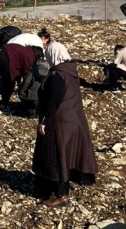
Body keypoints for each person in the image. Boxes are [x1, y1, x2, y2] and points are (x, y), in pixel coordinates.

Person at [32, 46, 98, 208]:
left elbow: (53, 100)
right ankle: (59, 188)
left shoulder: (57, 75)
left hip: (60, 121)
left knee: (58, 156)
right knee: (67, 155)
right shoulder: (69, 71)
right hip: (74, 119)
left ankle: (61, 195)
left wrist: (44, 120)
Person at [0, 43, 37, 114]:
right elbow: (26, 73)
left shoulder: (26, 50)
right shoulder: (30, 56)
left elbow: (20, 71)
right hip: (2, 57)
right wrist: (22, 88)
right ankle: (4, 106)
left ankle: (4, 102)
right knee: (9, 82)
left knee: (8, 80)